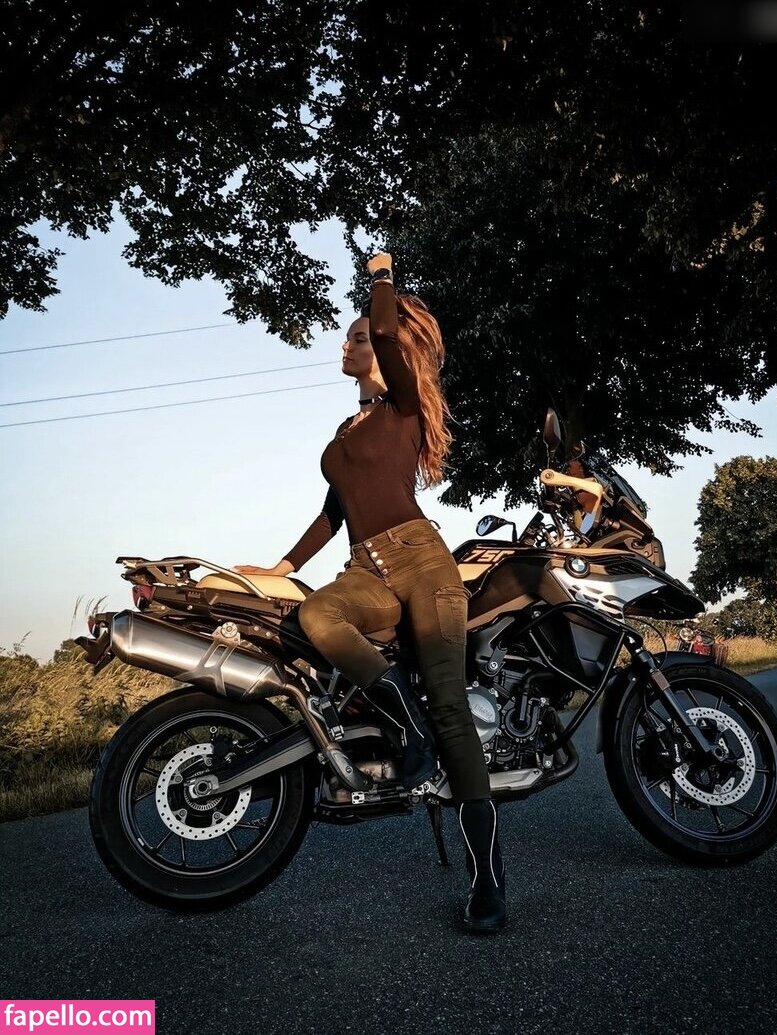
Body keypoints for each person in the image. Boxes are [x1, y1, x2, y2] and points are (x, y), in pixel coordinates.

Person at [234, 252, 506, 933]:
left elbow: (386, 330)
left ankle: (487, 877)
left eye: (355, 337)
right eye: (351, 337)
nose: (347, 345)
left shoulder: (404, 403)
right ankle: (405, 721)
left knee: (451, 710)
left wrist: (382, 276)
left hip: (424, 564)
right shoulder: (346, 432)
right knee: (317, 614)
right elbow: (333, 512)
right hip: (365, 570)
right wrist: (278, 566)